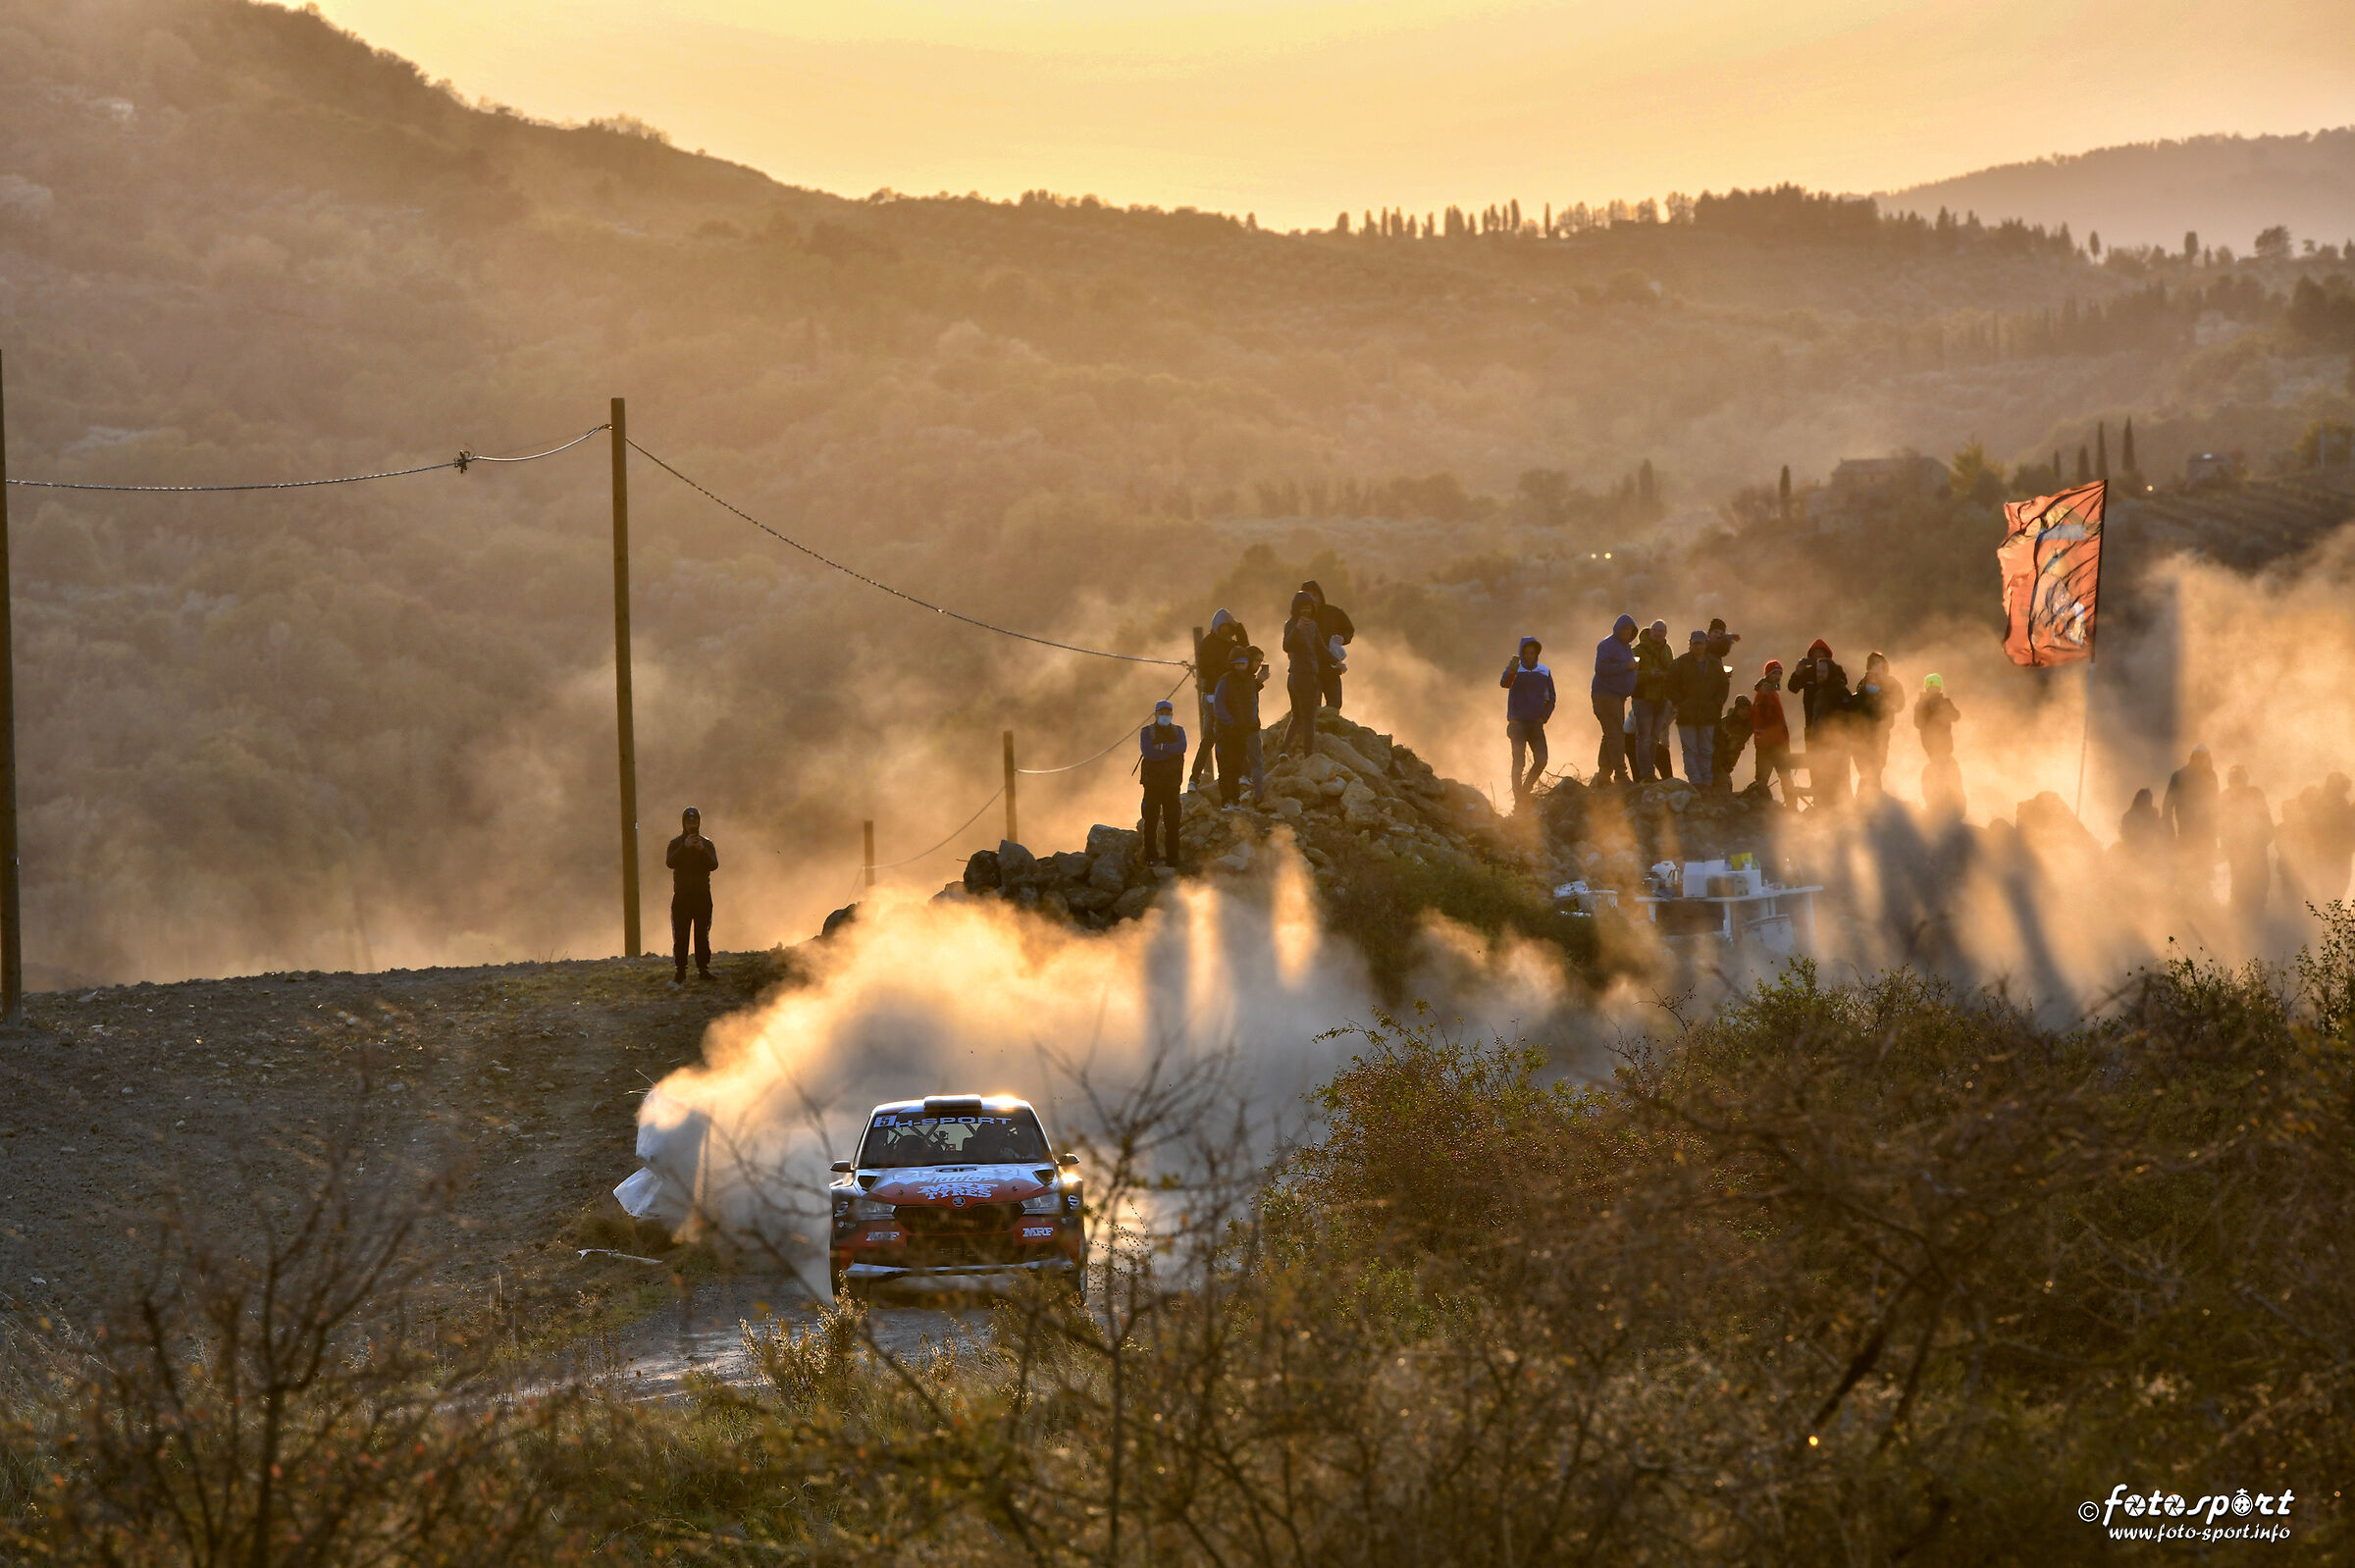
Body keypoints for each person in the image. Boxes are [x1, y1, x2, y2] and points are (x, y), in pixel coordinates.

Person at [1786, 638, 1851, 808]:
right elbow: (1792, 687)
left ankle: (1838, 802)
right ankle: (1819, 801)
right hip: (1811, 726)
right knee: (1814, 764)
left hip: (1832, 731)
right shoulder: (1807, 673)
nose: (1818, 659)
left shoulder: (1835, 673)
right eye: (1814, 656)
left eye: (1822, 656)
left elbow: (1844, 686)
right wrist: (1797, 672)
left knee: (1836, 768)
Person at [1189, 608, 1249, 793]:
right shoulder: (1207, 645)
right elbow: (1207, 671)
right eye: (1223, 627)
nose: (1226, 631)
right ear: (1216, 627)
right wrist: (1225, 680)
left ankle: (1243, 775)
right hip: (1212, 697)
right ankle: (1195, 779)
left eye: (1229, 628)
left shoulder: (1232, 645)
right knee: (1210, 738)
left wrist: (1239, 627)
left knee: (1237, 736)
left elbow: (1245, 651)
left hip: (1230, 697)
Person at [1499, 635, 1556, 807]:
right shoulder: (1515, 670)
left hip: (1535, 724)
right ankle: (1519, 800)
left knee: (1542, 759)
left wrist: (1543, 718)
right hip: (1517, 723)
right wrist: (1511, 670)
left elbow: (1551, 698)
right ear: (1521, 654)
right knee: (1519, 762)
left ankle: (1525, 790)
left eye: (1532, 652)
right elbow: (1504, 684)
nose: (1529, 656)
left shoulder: (1544, 672)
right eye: (1526, 653)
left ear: (1537, 653)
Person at [1667, 629, 1728, 787]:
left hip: (1708, 714)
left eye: (1701, 644)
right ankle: (1695, 782)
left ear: (1706, 644)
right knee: (1690, 750)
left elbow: (1724, 685)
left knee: (1706, 750)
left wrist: (1717, 704)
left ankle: (1706, 782)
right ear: (1690, 645)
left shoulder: (1714, 664)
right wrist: (1680, 703)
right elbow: (1670, 684)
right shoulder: (1680, 663)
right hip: (1687, 714)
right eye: (1695, 644)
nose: (1698, 647)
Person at [665, 807, 718, 983]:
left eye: (694, 822)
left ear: (699, 823)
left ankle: (703, 969)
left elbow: (714, 865)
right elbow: (670, 862)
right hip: (682, 896)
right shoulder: (675, 844)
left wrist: (702, 850)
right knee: (681, 935)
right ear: (683, 823)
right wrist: (684, 847)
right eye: (689, 822)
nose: (692, 825)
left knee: (702, 934)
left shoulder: (706, 843)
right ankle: (680, 970)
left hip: (702, 896)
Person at [1211, 647, 1268, 808]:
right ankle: (1227, 801)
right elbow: (1219, 706)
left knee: (1236, 768)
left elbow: (1252, 705)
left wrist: (1250, 724)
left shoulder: (1250, 681)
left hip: (1243, 732)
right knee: (1226, 768)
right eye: (1237, 664)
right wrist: (1231, 723)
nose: (1240, 667)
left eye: (1243, 664)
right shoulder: (1225, 681)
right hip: (1226, 732)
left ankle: (1235, 801)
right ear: (1232, 664)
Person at [2164, 746, 2221, 896]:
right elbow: (2167, 805)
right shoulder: (2180, 776)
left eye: (2207, 758)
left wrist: (2217, 832)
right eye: (2201, 758)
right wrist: (2170, 831)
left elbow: (2216, 805)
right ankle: (2188, 907)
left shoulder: (2211, 776)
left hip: (2207, 834)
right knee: (2188, 871)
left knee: (2205, 873)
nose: (2205, 762)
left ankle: (2204, 905)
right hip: (2187, 833)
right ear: (2194, 758)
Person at [1138, 699, 1187, 865]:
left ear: (1171, 714)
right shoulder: (1146, 732)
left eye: (1167, 713)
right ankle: (1151, 857)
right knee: (1150, 822)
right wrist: (1169, 753)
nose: (1165, 716)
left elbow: (1182, 747)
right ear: (1156, 715)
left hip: (1172, 785)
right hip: (1152, 784)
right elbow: (1148, 753)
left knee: (1173, 822)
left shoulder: (1179, 731)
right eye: (1162, 713)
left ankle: (1173, 858)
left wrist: (1162, 747)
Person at [2221, 764, 2274, 919]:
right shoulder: (2225, 798)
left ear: (2245, 780)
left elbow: (2265, 815)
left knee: (2262, 879)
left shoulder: (2255, 793)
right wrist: (2226, 845)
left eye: (2239, 780)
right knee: (2240, 881)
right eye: (2233, 780)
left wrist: (2267, 836)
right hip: (2237, 848)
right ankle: (2240, 916)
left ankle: (2257, 912)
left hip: (2256, 844)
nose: (2236, 784)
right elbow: (2220, 824)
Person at [1592, 613, 1638, 783]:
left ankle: (1604, 773)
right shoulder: (1607, 645)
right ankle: (1620, 774)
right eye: (1624, 629)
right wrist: (1627, 666)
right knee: (1616, 735)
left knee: (1610, 734)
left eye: (1630, 630)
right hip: (1605, 695)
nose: (1627, 632)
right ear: (1618, 629)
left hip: (1617, 697)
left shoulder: (1627, 648)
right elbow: (1601, 668)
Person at [1631, 619, 1675, 782]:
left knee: (1655, 738)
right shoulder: (1638, 650)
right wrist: (1650, 674)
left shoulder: (1667, 650)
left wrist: (1665, 675)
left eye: (1662, 632)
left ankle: (1650, 772)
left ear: (1665, 634)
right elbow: (1631, 675)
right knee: (1643, 738)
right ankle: (1645, 774)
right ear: (1650, 631)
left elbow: (1672, 670)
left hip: (1661, 698)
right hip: (1643, 698)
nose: (1658, 634)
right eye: (1656, 631)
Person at [1281, 594, 1325, 758]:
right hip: (1299, 675)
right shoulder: (1291, 625)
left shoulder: (1313, 626)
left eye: (1309, 608)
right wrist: (1297, 628)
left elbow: (1320, 647)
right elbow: (1286, 646)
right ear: (1296, 609)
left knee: (1298, 717)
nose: (1306, 611)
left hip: (1307, 675)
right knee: (1307, 719)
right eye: (1302, 608)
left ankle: (1283, 751)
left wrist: (1337, 661)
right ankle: (1309, 756)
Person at [1300, 580, 1355, 711]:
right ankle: (1314, 730)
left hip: (1331, 668)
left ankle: (1331, 728)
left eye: (1314, 595)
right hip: (1310, 669)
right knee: (1313, 705)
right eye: (1307, 595)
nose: (1312, 598)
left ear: (1320, 596)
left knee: (1335, 704)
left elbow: (1349, 629)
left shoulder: (1334, 613)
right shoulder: (1299, 617)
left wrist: (1343, 638)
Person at [1914, 674, 1963, 817]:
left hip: (1945, 747)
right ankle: (1936, 805)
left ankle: (1953, 805)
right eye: (1931, 687)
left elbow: (1956, 716)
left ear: (1939, 687)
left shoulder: (1944, 702)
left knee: (1949, 772)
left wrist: (1944, 709)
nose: (1933, 690)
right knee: (1936, 773)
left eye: (1935, 687)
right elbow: (1918, 723)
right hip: (1931, 747)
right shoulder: (1922, 704)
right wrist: (1928, 710)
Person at [1850, 653, 1897, 797]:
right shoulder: (1863, 682)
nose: (1878, 666)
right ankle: (1868, 803)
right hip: (1861, 734)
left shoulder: (1890, 684)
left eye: (1881, 664)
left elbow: (1899, 703)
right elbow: (1855, 704)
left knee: (1876, 770)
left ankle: (1871, 803)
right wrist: (1865, 689)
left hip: (1881, 735)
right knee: (1866, 772)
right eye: (1875, 663)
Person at [1750, 661, 1796, 803]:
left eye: (1780, 673)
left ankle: (1759, 805)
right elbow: (1765, 717)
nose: (1778, 676)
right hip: (1772, 743)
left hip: (1770, 742)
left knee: (1765, 778)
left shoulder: (1770, 691)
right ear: (1768, 675)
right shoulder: (1766, 692)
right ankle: (1790, 805)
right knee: (1782, 777)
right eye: (1775, 673)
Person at [2314, 772, 2355, 902]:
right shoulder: (2329, 802)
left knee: (2336, 887)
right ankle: (2332, 914)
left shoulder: (2335, 801)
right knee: (2335, 887)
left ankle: (2331, 913)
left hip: (2337, 851)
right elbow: (2342, 822)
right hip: (2334, 852)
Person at [1716, 694, 1753, 793]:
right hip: (1718, 763)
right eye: (1742, 709)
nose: (1745, 712)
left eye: (1747, 709)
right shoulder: (1725, 723)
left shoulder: (1748, 725)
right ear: (1737, 709)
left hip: (1729, 764)